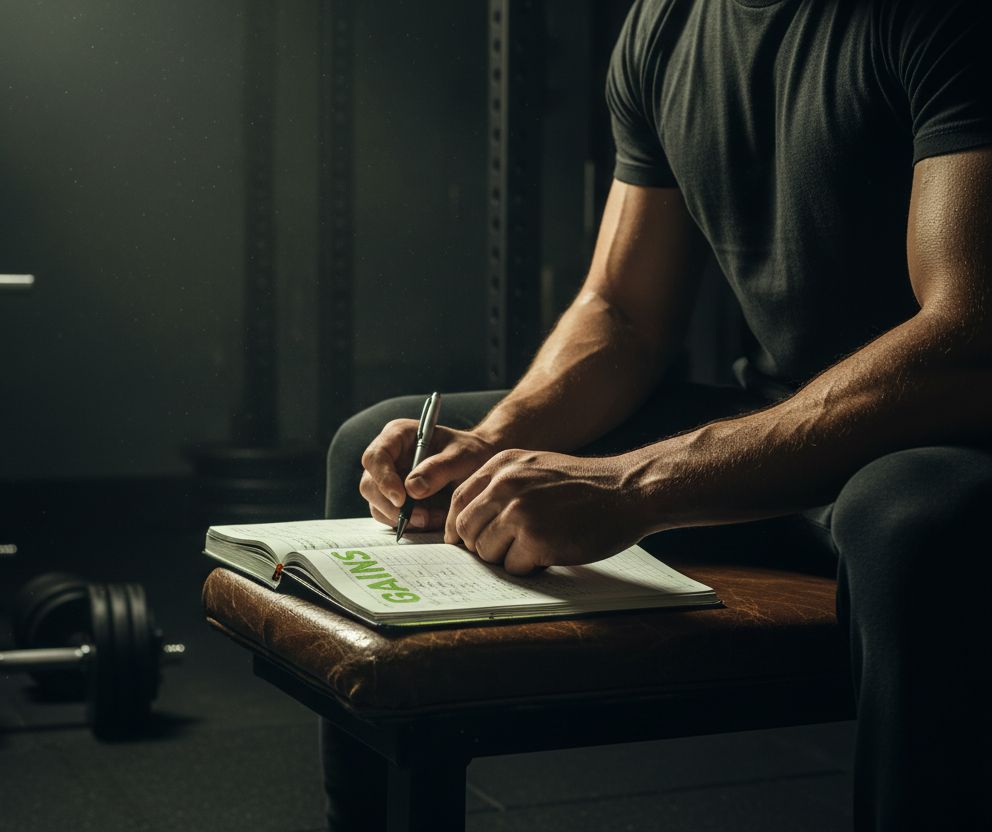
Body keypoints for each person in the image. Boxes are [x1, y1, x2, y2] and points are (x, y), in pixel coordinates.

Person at [321, 1, 992, 829]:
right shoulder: (666, 23)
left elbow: (967, 337)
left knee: (909, 521)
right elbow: (624, 312)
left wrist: (630, 485)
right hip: (780, 429)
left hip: (941, 433)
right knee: (380, 441)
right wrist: (492, 443)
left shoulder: (941, 20)